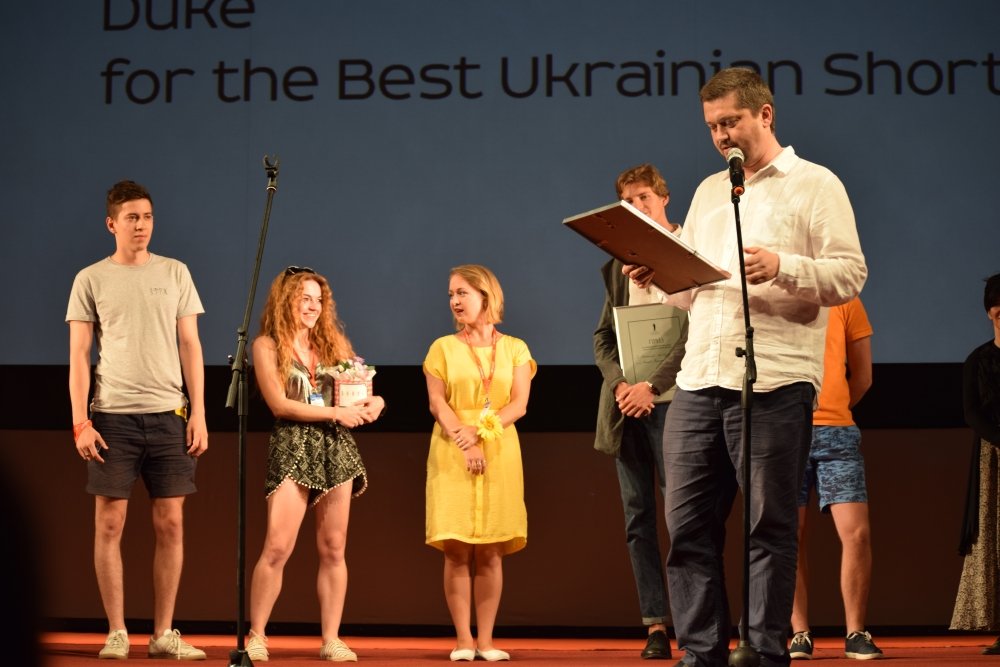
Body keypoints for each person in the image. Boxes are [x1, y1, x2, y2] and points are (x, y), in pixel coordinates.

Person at [627, 68, 867, 667]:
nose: (720, 136)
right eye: (711, 126)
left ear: (766, 114)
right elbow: (697, 294)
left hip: (774, 380)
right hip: (698, 381)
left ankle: (763, 651)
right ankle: (701, 652)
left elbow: (849, 273)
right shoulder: (710, 192)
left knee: (769, 528)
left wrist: (784, 265)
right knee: (687, 531)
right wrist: (662, 277)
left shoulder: (816, 185)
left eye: (730, 121)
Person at [66, 179, 209, 660]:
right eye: (131, 217)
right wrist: (80, 423)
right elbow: (80, 356)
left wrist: (199, 412)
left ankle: (164, 632)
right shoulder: (91, 278)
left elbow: (190, 345)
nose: (141, 225)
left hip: (169, 414)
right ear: (111, 224)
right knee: (109, 524)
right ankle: (117, 631)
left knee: (171, 523)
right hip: (112, 418)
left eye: (147, 216)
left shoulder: (174, 273)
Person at [246, 266, 385, 663]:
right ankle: (257, 634)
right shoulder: (267, 346)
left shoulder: (331, 344)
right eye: (304, 298)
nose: (312, 306)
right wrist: (337, 414)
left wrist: (376, 403)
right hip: (294, 443)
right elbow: (280, 405)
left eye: (318, 299)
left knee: (333, 547)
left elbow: (359, 392)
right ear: (285, 300)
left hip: (334, 447)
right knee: (277, 546)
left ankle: (331, 638)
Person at [593, 164, 688, 660]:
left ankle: (693, 623)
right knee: (638, 520)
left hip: (677, 407)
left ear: (664, 199)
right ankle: (655, 624)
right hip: (627, 408)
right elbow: (603, 337)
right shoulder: (615, 265)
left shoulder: (688, 251)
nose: (637, 208)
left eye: (644, 198)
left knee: (684, 518)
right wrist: (623, 385)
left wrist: (652, 385)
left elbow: (697, 333)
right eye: (627, 202)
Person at [424, 264, 535, 662]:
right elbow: (438, 402)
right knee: (456, 549)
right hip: (451, 448)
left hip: (500, 448)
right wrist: (463, 437)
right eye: (451, 295)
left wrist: (483, 432)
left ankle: (486, 641)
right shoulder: (442, 348)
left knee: (490, 550)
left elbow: (519, 404)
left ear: (485, 296)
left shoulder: (516, 348)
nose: (455, 301)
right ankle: (463, 641)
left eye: (462, 293)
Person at [789, 297, 883, 660]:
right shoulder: (777, 289)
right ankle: (800, 632)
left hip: (837, 432)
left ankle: (856, 632)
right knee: (789, 535)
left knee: (857, 533)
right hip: (786, 432)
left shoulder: (847, 299)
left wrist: (834, 407)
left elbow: (862, 376)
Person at [951, 272, 1000, 655]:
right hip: (993, 457)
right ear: (991, 313)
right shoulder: (978, 360)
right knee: (994, 541)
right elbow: (972, 413)